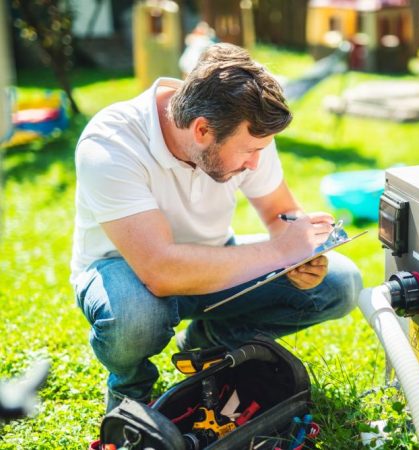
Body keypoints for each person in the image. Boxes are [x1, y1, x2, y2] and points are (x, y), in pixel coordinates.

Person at [70, 43, 362, 412]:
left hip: (215, 264)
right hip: (126, 275)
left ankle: (206, 342)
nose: (256, 163)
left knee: (340, 283)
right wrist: (279, 252)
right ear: (202, 129)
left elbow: (280, 213)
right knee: (136, 315)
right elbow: (159, 270)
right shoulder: (111, 145)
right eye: (249, 151)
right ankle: (131, 390)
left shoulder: (244, 124)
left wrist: (303, 256)